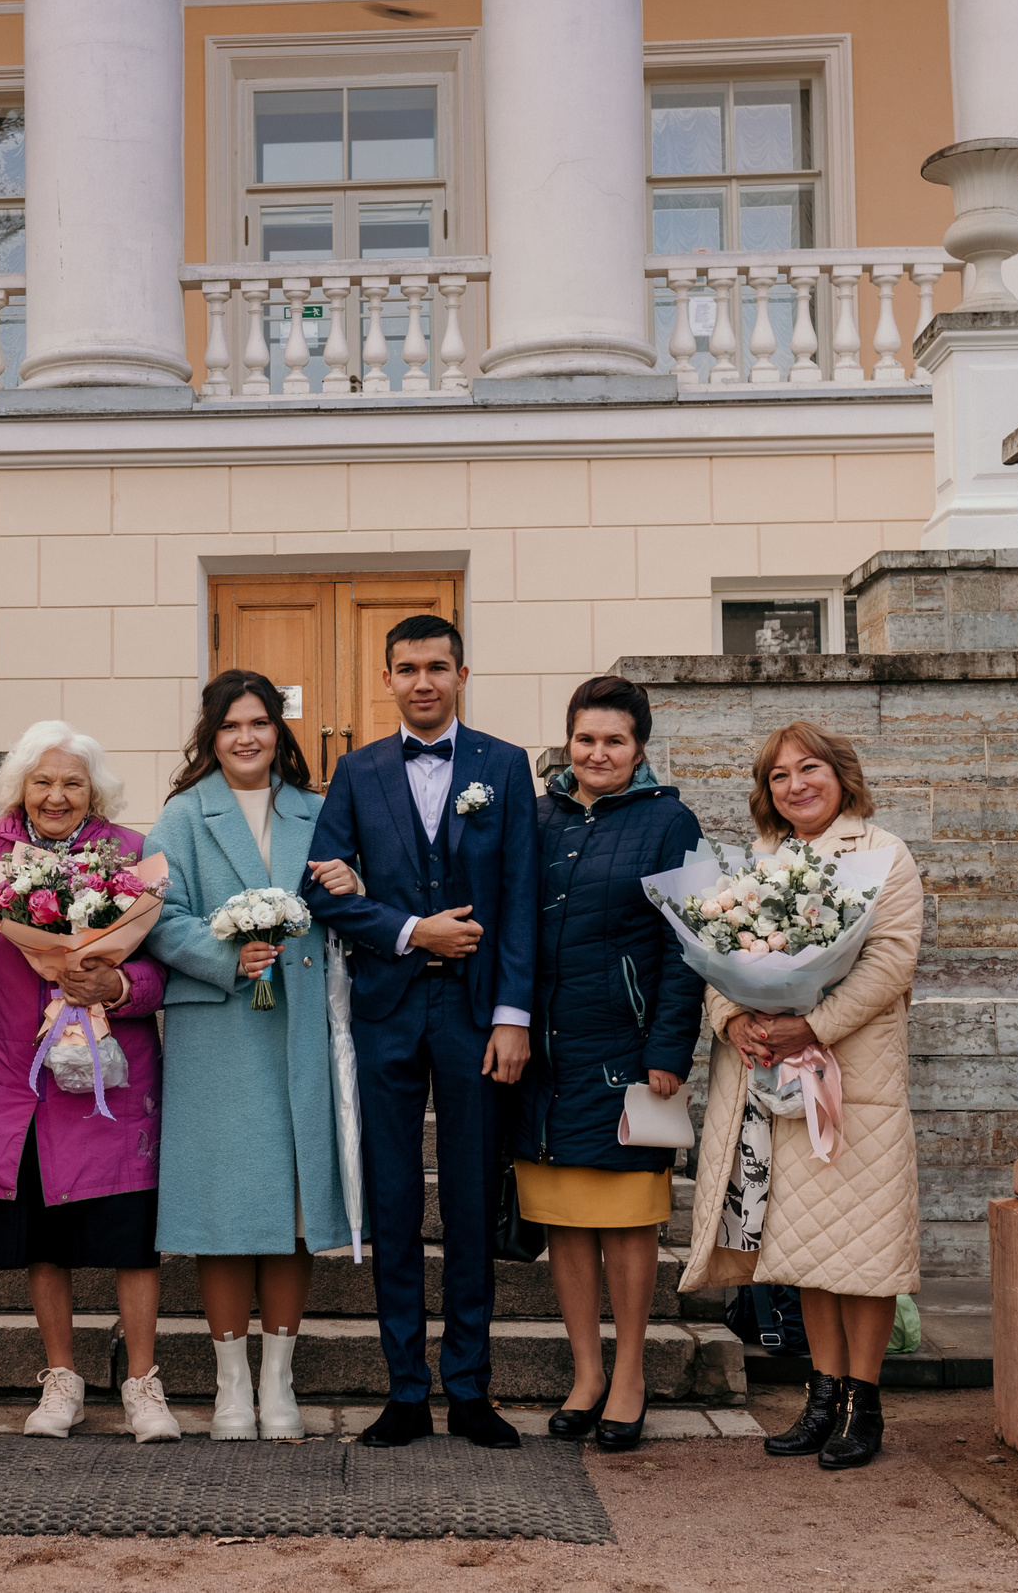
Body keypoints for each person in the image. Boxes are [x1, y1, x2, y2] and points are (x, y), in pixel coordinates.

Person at [302, 613, 538, 1449]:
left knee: (472, 1198)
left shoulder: (504, 767)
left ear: (462, 674)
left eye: (438, 666)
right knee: (394, 1198)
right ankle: (405, 1389)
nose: (423, 681)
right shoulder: (357, 771)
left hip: (478, 1015)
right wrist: (411, 930)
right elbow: (323, 890)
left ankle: (471, 1388)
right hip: (389, 1008)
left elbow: (517, 897)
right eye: (407, 668)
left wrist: (514, 1015)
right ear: (390, 678)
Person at [679, 721, 925, 1471]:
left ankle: (863, 1403)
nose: (795, 785)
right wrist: (737, 1020)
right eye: (779, 776)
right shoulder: (759, 860)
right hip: (774, 1085)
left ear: (841, 775)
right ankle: (820, 1396)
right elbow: (714, 959)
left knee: (866, 1250)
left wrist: (810, 1023)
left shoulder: (884, 854)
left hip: (854, 1085)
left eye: (808, 768)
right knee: (809, 1248)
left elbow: (889, 964)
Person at [0, 721, 180, 1443]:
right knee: (43, 1235)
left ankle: (142, 1383)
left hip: (112, 1075)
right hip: (23, 1072)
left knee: (131, 1237)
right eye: (42, 780)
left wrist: (118, 981)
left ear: (93, 792)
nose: (56, 794)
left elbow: (162, 965)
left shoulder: (129, 854)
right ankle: (63, 1380)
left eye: (73, 782)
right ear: (19, 785)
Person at [145, 670, 355, 1441]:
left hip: (300, 1024)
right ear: (211, 735)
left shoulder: (321, 809)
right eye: (231, 724)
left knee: (294, 1210)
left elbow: (345, 900)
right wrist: (225, 953)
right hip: (220, 1031)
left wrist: (350, 880)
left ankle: (280, 1383)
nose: (246, 737)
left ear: (279, 731)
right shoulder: (179, 816)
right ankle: (231, 1388)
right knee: (225, 1209)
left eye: (259, 723)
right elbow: (156, 916)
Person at [515, 677, 705, 1452]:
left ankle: (630, 1373)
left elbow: (687, 945)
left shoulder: (671, 822)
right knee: (565, 1219)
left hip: (626, 1052)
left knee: (627, 1222)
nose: (598, 753)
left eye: (614, 741)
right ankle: (586, 1372)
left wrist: (667, 1048)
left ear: (640, 747)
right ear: (569, 742)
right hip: (546, 1054)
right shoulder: (536, 816)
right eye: (586, 739)